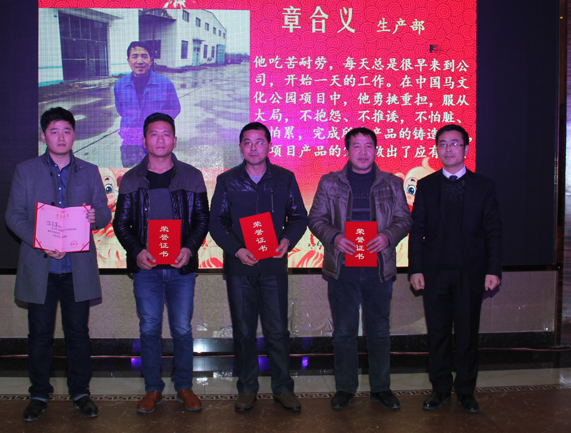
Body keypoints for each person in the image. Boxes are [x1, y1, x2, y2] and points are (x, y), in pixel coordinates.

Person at [5, 107, 110, 422]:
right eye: (54, 131)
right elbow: (13, 216)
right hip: (41, 267)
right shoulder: (25, 171)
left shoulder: (90, 171)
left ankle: (81, 393)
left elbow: (104, 211)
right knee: (39, 334)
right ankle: (39, 394)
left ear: (74, 135)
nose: (61, 137)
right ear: (44, 136)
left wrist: (96, 216)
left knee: (78, 333)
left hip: (77, 268)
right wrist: (41, 240)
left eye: (66, 130)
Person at [309, 127, 412, 410]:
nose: (363, 152)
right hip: (343, 269)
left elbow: (404, 219)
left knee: (379, 331)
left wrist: (387, 236)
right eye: (357, 146)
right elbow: (315, 218)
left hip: (378, 269)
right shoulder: (330, 182)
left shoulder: (392, 183)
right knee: (344, 332)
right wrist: (334, 237)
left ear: (376, 150)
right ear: (347, 151)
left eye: (368, 146)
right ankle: (345, 388)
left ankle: (381, 388)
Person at [113, 112, 209, 413]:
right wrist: (137, 251)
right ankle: (153, 388)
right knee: (150, 328)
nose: (160, 139)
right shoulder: (131, 178)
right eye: (154, 134)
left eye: (166, 134)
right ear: (144, 140)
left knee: (182, 328)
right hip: (147, 270)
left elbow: (202, 219)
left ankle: (184, 386)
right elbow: (121, 224)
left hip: (181, 268)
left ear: (175, 140)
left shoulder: (192, 175)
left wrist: (189, 249)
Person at [209, 122, 308, 413]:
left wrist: (287, 240)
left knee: (277, 331)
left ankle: (283, 388)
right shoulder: (227, 180)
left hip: (273, 265)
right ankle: (247, 388)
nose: (253, 148)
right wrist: (237, 250)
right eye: (248, 142)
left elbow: (299, 217)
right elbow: (217, 222)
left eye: (259, 142)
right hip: (240, 268)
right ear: (240, 147)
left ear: (269, 146)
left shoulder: (284, 178)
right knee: (243, 332)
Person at [408, 124, 503, 414]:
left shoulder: (483, 186)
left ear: (466, 148)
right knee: (437, 334)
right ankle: (439, 390)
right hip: (435, 273)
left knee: (466, 335)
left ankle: (465, 391)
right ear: (437, 149)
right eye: (443, 144)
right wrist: (415, 269)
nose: (448, 149)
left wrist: (493, 269)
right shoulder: (426, 185)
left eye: (454, 143)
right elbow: (417, 230)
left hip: (471, 273)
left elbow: (493, 231)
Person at [114, 41, 181, 167]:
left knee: (158, 175)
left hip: (157, 143)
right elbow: (121, 110)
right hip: (130, 143)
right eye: (134, 56)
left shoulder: (165, 83)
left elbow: (175, 109)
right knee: (132, 175)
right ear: (128, 60)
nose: (139, 61)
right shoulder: (120, 85)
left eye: (144, 56)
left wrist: (157, 125)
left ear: (151, 60)